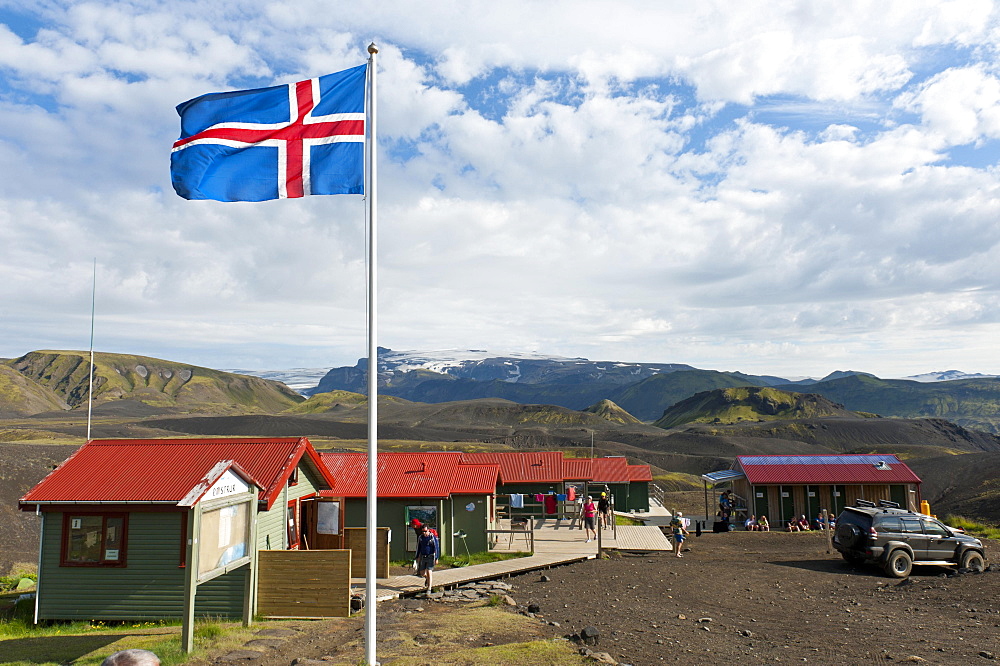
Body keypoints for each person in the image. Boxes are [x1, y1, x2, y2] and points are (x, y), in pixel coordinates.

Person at [414, 525, 440, 590]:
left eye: (425, 531)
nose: (424, 533)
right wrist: (417, 556)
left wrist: (436, 558)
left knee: (429, 571)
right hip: (423, 556)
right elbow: (418, 547)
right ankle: (427, 578)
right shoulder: (421, 538)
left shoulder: (432, 537)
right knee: (422, 573)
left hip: (431, 556)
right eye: (423, 531)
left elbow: (436, 548)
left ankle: (429, 588)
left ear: (428, 530)